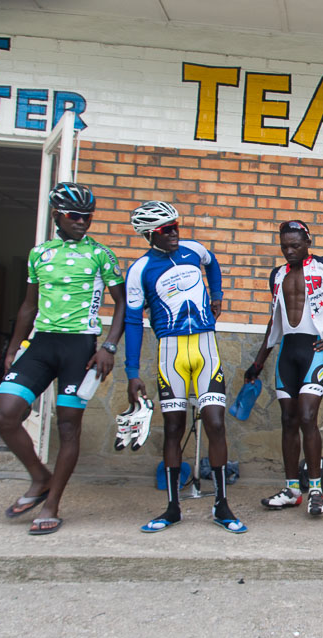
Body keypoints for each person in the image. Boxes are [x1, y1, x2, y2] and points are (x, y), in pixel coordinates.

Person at [0, 182, 125, 536]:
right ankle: (40, 477)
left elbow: (124, 304)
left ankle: (52, 503)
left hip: (80, 348)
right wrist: (13, 347)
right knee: (3, 414)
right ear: (57, 216)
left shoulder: (101, 254)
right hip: (41, 345)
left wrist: (108, 347)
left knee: (68, 427)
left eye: (88, 216)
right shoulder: (40, 253)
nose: (82, 221)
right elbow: (28, 305)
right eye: (74, 215)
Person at [124, 201, 246, 534]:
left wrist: (217, 294)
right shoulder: (139, 270)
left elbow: (213, 263)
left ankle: (221, 505)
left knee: (215, 422)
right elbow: (132, 322)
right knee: (174, 427)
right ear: (151, 235)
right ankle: (172, 508)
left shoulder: (194, 250)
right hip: (170, 352)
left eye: (176, 226)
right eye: (166, 230)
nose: (175, 233)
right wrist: (132, 372)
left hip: (206, 348)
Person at [247, 220, 323, 517]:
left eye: (295, 246)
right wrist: (259, 361)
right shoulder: (277, 275)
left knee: (307, 416)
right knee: (288, 419)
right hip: (288, 352)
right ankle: (291, 490)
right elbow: (273, 321)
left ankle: (316, 490)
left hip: (315, 350)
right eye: (284, 246)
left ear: (307, 243)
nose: (289, 251)